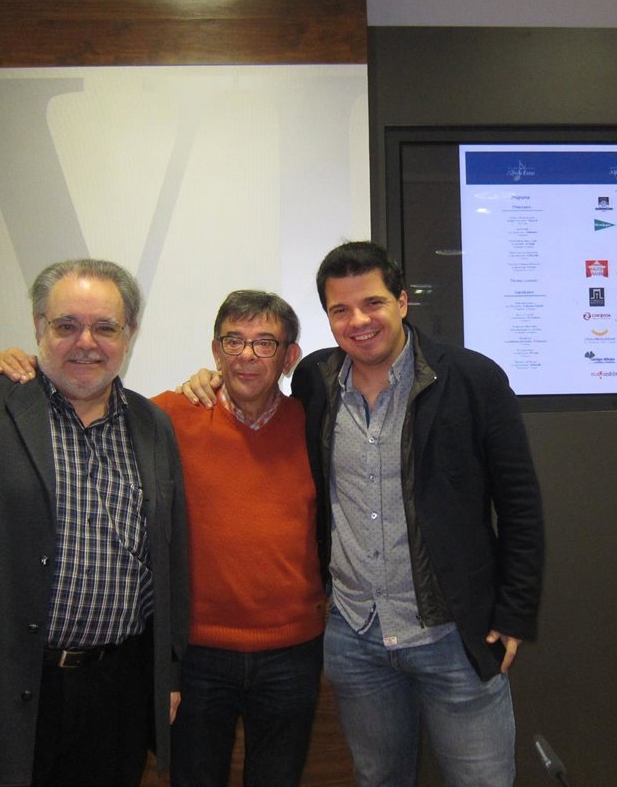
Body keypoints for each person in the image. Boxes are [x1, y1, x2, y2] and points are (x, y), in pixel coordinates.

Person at [182, 242, 545, 786]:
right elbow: (253, 390)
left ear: (402, 302)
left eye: (372, 303)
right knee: (378, 780)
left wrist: (513, 614)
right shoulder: (315, 380)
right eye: (340, 309)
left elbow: (519, 504)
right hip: (355, 638)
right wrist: (210, 377)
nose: (358, 321)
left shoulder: (472, 379)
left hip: (452, 635)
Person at [0, 290, 326, 787]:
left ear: (289, 356)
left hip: (292, 652)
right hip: (196, 653)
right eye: (233, 341)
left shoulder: (316, 425)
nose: (246, 356)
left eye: (264, 343)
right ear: (215, 351)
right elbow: (83, 400)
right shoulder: (167, 418)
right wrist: (25, 367)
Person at [0, 259, 189, 787]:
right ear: (39, 326)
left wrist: (168, 673)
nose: (85, 342)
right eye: (67, 325)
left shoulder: (152, 425)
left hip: (116, 697)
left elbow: (169, 561)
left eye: (105, 327)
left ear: (129, 334)